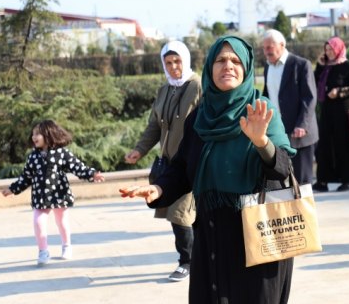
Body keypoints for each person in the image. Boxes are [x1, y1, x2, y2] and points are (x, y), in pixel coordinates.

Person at [120, 36, 297, 304]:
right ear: (210, 68)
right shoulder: (200, 118)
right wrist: (159, 188)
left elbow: (282, 167)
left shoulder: (261, 110)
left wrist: (261, 141)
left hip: (258, 233)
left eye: (236, 60)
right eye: (221, 60)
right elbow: (182, 167)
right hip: (212, 233)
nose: (228, 66)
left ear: (247, 68)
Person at [124, 40, 202, 281]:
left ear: (186, 60)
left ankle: (187, 262)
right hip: (169, 164)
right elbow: (154, 126)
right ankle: (193, 258)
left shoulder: (198, 86)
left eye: (177, 61)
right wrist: (140, 150)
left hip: (191, 162)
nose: (173, 66)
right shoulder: (164, 90)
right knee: (175, 213)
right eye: (168, 62)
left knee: (181, 214)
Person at [2, 120, 105, 266]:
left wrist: (92, 174)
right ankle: (43, 251)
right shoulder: (33, 156)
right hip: (40, 196)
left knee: (61, 221)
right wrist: (13, 189)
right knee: (38, 221)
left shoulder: (62, 153)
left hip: (59, 193)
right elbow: (26, 177)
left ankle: (66, 245)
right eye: (33, 134)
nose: (34, 137)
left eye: (37, 134)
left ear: (48, 134)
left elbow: (77, 167)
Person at [261, 29, 319, 184]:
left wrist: (302, 124)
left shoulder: (301, 65)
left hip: (299, 131)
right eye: (264, 47)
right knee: (283, 179)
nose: (266, 51)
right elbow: (267, 95)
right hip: (278, 131)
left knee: (302, 181)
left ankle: (304, 209)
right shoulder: (267, 67)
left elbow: (310, 97)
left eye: (270, 47)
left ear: (282, 45)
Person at [313, 36, 349, 192]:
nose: (329, 52)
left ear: (339, 49)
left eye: (332, 49)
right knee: (324, 146)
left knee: (343, 145)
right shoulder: (325, 66)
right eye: (327, 49)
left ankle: (347, 181)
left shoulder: (347, 66)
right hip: (326, 111)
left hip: (343, 112)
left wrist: (340, 92)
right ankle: (322, 181)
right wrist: (320, 66)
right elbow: (315, 82)